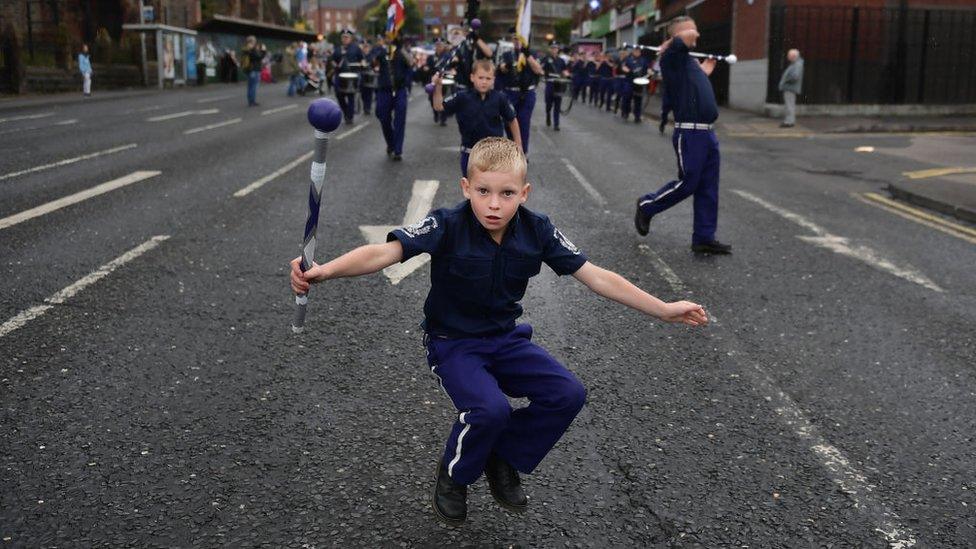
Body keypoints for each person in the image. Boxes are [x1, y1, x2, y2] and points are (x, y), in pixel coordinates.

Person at [288, 137, 709, 526]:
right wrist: (325, 272)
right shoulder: (446, 224)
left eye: (507, 194)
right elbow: (384, 251)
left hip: (505, 340)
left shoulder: (537, 228)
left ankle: (503, 457)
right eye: (483, 191)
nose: (494, 204)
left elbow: (596, 276)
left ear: (523, 194)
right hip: (454, 345)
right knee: (490, 410)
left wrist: (664, 309)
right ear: (466, 187)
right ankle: (455, 476)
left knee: (567, 394)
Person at [634, 16, 732, 255]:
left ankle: (704, 237)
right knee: (689, 182)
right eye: (692, 31)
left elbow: (690, 86)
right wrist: (675, 40)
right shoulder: (673, 55)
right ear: (678, 35)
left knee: (708, 187)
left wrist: (704, 72)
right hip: (690, 133)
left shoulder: (686, 59)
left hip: (707, 133)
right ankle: (647, 205)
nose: (696, 35)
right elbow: (681, 40)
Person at [432, 59, 520, 177]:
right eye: (480, 77)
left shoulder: (500, 98)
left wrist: (518, 145)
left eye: (488, 78)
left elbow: (512, 119)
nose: (484, 82)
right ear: (472, 77)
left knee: (491, 189)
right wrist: (438, 86)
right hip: (470, 153)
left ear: (493, 80)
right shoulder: (462, 97)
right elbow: (438, 106)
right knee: (471, 191)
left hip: (493, 154)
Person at [497, 32, 543, 156]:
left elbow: (538, 70)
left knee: (523, 122)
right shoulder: (507, 54)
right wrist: (505, 66)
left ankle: (523, 152)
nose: (517, 41)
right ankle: (513, 148)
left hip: (527, 93)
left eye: (520, 39)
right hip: (510, 93)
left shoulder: (531, 54)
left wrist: (528, 56)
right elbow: (500, 68)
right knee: (509, 122)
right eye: (515, 39)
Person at [374, 36, 413, 161]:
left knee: (399, 120)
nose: (389, 37)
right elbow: (371, 61)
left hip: (400, 90)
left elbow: (411, 64)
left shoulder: (403, 51)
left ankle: (398, 150)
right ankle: (391, 143)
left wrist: (406, 83)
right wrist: (381, 49)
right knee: (383, 117)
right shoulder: (381, 50)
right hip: (384, 90)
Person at [330, 30, 366, 124]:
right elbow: (333, 60)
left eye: (347, 37)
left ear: (350, 38)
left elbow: (362, 59)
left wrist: (361, 64)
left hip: (352, 75)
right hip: (340, 75)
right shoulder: (338, 49)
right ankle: (346, 111)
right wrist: (334, 65)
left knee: (350, 96)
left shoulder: (356, 48)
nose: (345, 39)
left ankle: (349, 117)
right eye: (343, 37)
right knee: (339, 95)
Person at [541, 41, 569, 131]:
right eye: (552, 48)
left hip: (558, 84)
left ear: (558, 49)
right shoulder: (546, 59)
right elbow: (541, 69)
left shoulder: (561, 61)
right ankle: (548, 114)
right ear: (550, 49)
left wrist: (568, 75)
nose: (554, 50)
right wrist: (544, 74)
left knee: (557, 104)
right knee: (548, 104)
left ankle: (556, 124)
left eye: (556, 48)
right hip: (549, 83)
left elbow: (564, 70)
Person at [620, 46, 649, 123]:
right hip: (629, 82)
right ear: (633, 51)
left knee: (638, 100)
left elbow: (647, 69)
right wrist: (626, 70)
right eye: (636, 51)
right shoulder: (628, 59)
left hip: (639, 83)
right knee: (627, 98)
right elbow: (623, 67)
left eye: (638, 51)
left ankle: (637, 116)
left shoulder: (643, 60)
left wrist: (650, 72)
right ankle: (626, 112)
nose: (637, 52)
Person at [778, 48, 803, 128]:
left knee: (789, 106)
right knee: (789, 105)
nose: (788, 57)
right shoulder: (795, 64)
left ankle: (789, 122)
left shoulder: (797, 64)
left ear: (794, 56)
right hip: (790, 88)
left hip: (790, 88)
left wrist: (786, 81)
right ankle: (789, 121)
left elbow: (795, 76)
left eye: (789, 55)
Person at [242, 36, 266, 106]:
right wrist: (263, 51)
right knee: (253, 87)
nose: (255, 42)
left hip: (250, 69)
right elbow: (259, 57)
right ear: (251, 42)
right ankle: (252, 102)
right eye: (254, 41)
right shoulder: (251, 49)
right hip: (254, 69)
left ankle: (250, 101)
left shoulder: (246, 49)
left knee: (250, 86)